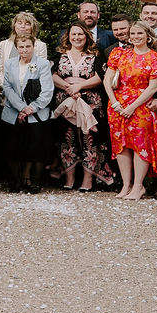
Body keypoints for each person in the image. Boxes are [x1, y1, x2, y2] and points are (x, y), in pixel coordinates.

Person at [104, 19, 157, 200]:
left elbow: (152, 88)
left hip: (140, 106)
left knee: (140, 145)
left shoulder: (156, 59)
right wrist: (115, 103)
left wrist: (132, 107)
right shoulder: (119, 54)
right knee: (121, 146)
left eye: (140, 33)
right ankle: (126, 185)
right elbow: (107, 79)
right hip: (117, 105)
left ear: (148, 36)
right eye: (133, 33)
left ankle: (139, 186)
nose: (135, 37)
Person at [49, 21, 110, 191]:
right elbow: (51, 75)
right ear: (68, 36)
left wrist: (79, 87)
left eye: (80, 34)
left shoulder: (95, 55)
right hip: (65, 101)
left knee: (89, 139)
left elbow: (100, 77)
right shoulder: (59, 55)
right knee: (67, 139)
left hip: (89, 102)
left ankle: (88, 180)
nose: (76, 37)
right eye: (73, 34)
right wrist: (69, 88)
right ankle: (69, 177)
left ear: (86, 36)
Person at [0, 33, 54, 193]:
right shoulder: (10, 64)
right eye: (21, 46)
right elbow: (7, 87)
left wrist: (31, 108)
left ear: (33, 47)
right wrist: (21, 107)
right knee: (12, 148)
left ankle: (35, 182)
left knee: (36, 148)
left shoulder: (42, 64)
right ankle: (15, 182)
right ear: (16, 48)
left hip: (37, 113)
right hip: (13, 111)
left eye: (28, 46)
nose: (25, 49)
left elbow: (47, 91)